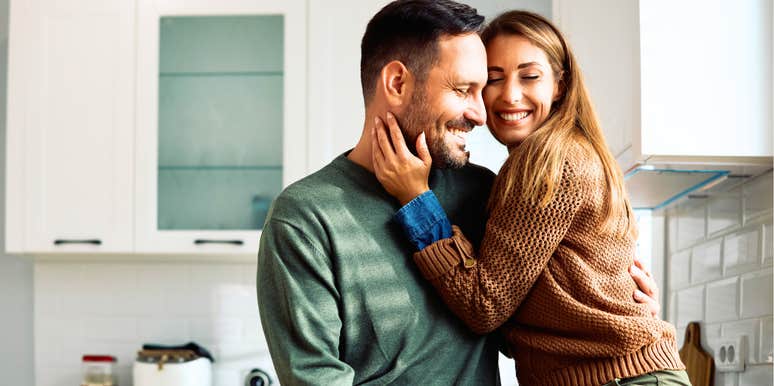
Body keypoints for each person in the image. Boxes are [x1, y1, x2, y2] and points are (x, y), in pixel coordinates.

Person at [257, 1, 660, 385]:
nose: (481, 113)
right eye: (465, 89)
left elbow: (513, 317)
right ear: (397, 83)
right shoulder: (306, 217)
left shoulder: (485, 190)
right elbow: (316, 377)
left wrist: (621, 309)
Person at [371, 10, 690, 386]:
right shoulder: (562, 153)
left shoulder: (551, 163)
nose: (509, 95)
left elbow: (484, 306)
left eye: (530, 76)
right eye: (493, 78)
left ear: (559, 84)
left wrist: (415, 198)